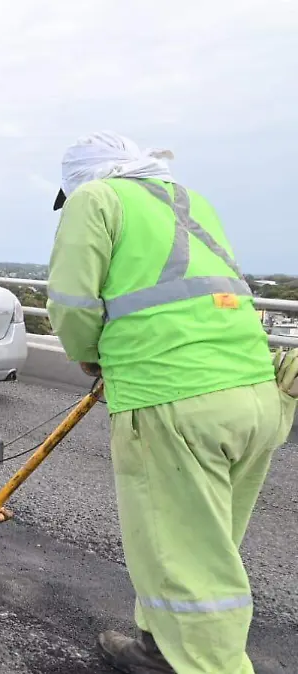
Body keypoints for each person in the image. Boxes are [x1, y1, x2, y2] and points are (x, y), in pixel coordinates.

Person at [45, 131, 297, 674]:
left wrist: (92, 356)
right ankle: (158, 649)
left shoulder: (97, 199)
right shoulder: (187, 198)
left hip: (176, 396)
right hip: (257, 392)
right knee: (202, 543)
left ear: (81, 179)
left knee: (186, 558)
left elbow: (70, 301)